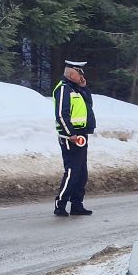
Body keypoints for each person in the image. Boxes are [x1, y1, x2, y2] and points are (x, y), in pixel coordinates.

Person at [53, 59, 95, 217]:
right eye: (80, 73)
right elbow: (61, 115)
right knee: (72, 171)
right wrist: (71, 134)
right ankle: (60, 204)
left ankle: (77, 204)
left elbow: (88, 105)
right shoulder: (64, 89)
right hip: (71, 136)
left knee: (82, 172)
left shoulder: (76, 89)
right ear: (71, 74)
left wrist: (84, 88)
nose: (82, 76)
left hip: (81, 134)